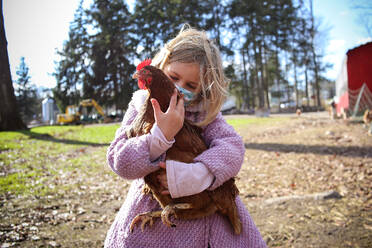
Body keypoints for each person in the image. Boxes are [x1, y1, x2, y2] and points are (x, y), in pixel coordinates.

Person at [104, 24, 267, 248]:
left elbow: (233, 147)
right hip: (153, 206)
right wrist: (159, 137)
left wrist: (197, 175)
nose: (179, 88)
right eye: (173, 77)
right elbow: (120, 161)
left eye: (190, 85)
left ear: (203, 90)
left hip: (203, 210)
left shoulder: (204, 115)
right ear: (162, 67)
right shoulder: (140, 107)